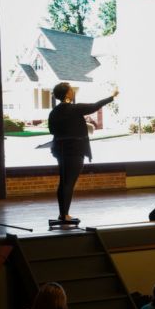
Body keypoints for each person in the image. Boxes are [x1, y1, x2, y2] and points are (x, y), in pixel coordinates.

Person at [48, 82, 118, 222]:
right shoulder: (74, 109)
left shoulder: (54, 112)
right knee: (68, 183)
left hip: (60, 150)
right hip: (74, 150)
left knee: (64, 182)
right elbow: (95, 106)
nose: (73, 91)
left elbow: (52, 131)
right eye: (71, 90)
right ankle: (65, 215)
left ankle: (63, 214)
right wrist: (112, 96)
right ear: (67, 94)